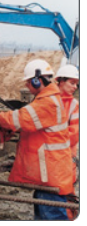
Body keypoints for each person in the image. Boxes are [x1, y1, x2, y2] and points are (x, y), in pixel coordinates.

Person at [0, 59, 74, 220]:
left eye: (29, 82)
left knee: (52, 217)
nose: (28, 86)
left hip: (51, 176)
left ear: (38, 80)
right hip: (50, 174)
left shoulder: (47, 102)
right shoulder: (49, 99)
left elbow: (20, 118)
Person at [55, 64, 79, 220]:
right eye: (72, 83)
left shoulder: (74, 105)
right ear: (60, 81)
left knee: (67, 191)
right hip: (51, 158)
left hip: (66, 157)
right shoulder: (48, 101)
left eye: (76, 84)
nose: (75, 87)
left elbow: (74, 134)